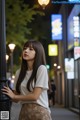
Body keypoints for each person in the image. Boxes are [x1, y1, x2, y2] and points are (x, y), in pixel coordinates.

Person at [2, 40, 52, 120]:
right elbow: (15, 99)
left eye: (30, 49)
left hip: (40, 112)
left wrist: (15, 96)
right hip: (24, 112)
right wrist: (8, 93)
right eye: (25, 48)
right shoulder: (19, 72)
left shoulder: (41, 69)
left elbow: (35, 96)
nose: (26, 51)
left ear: (37, 53)